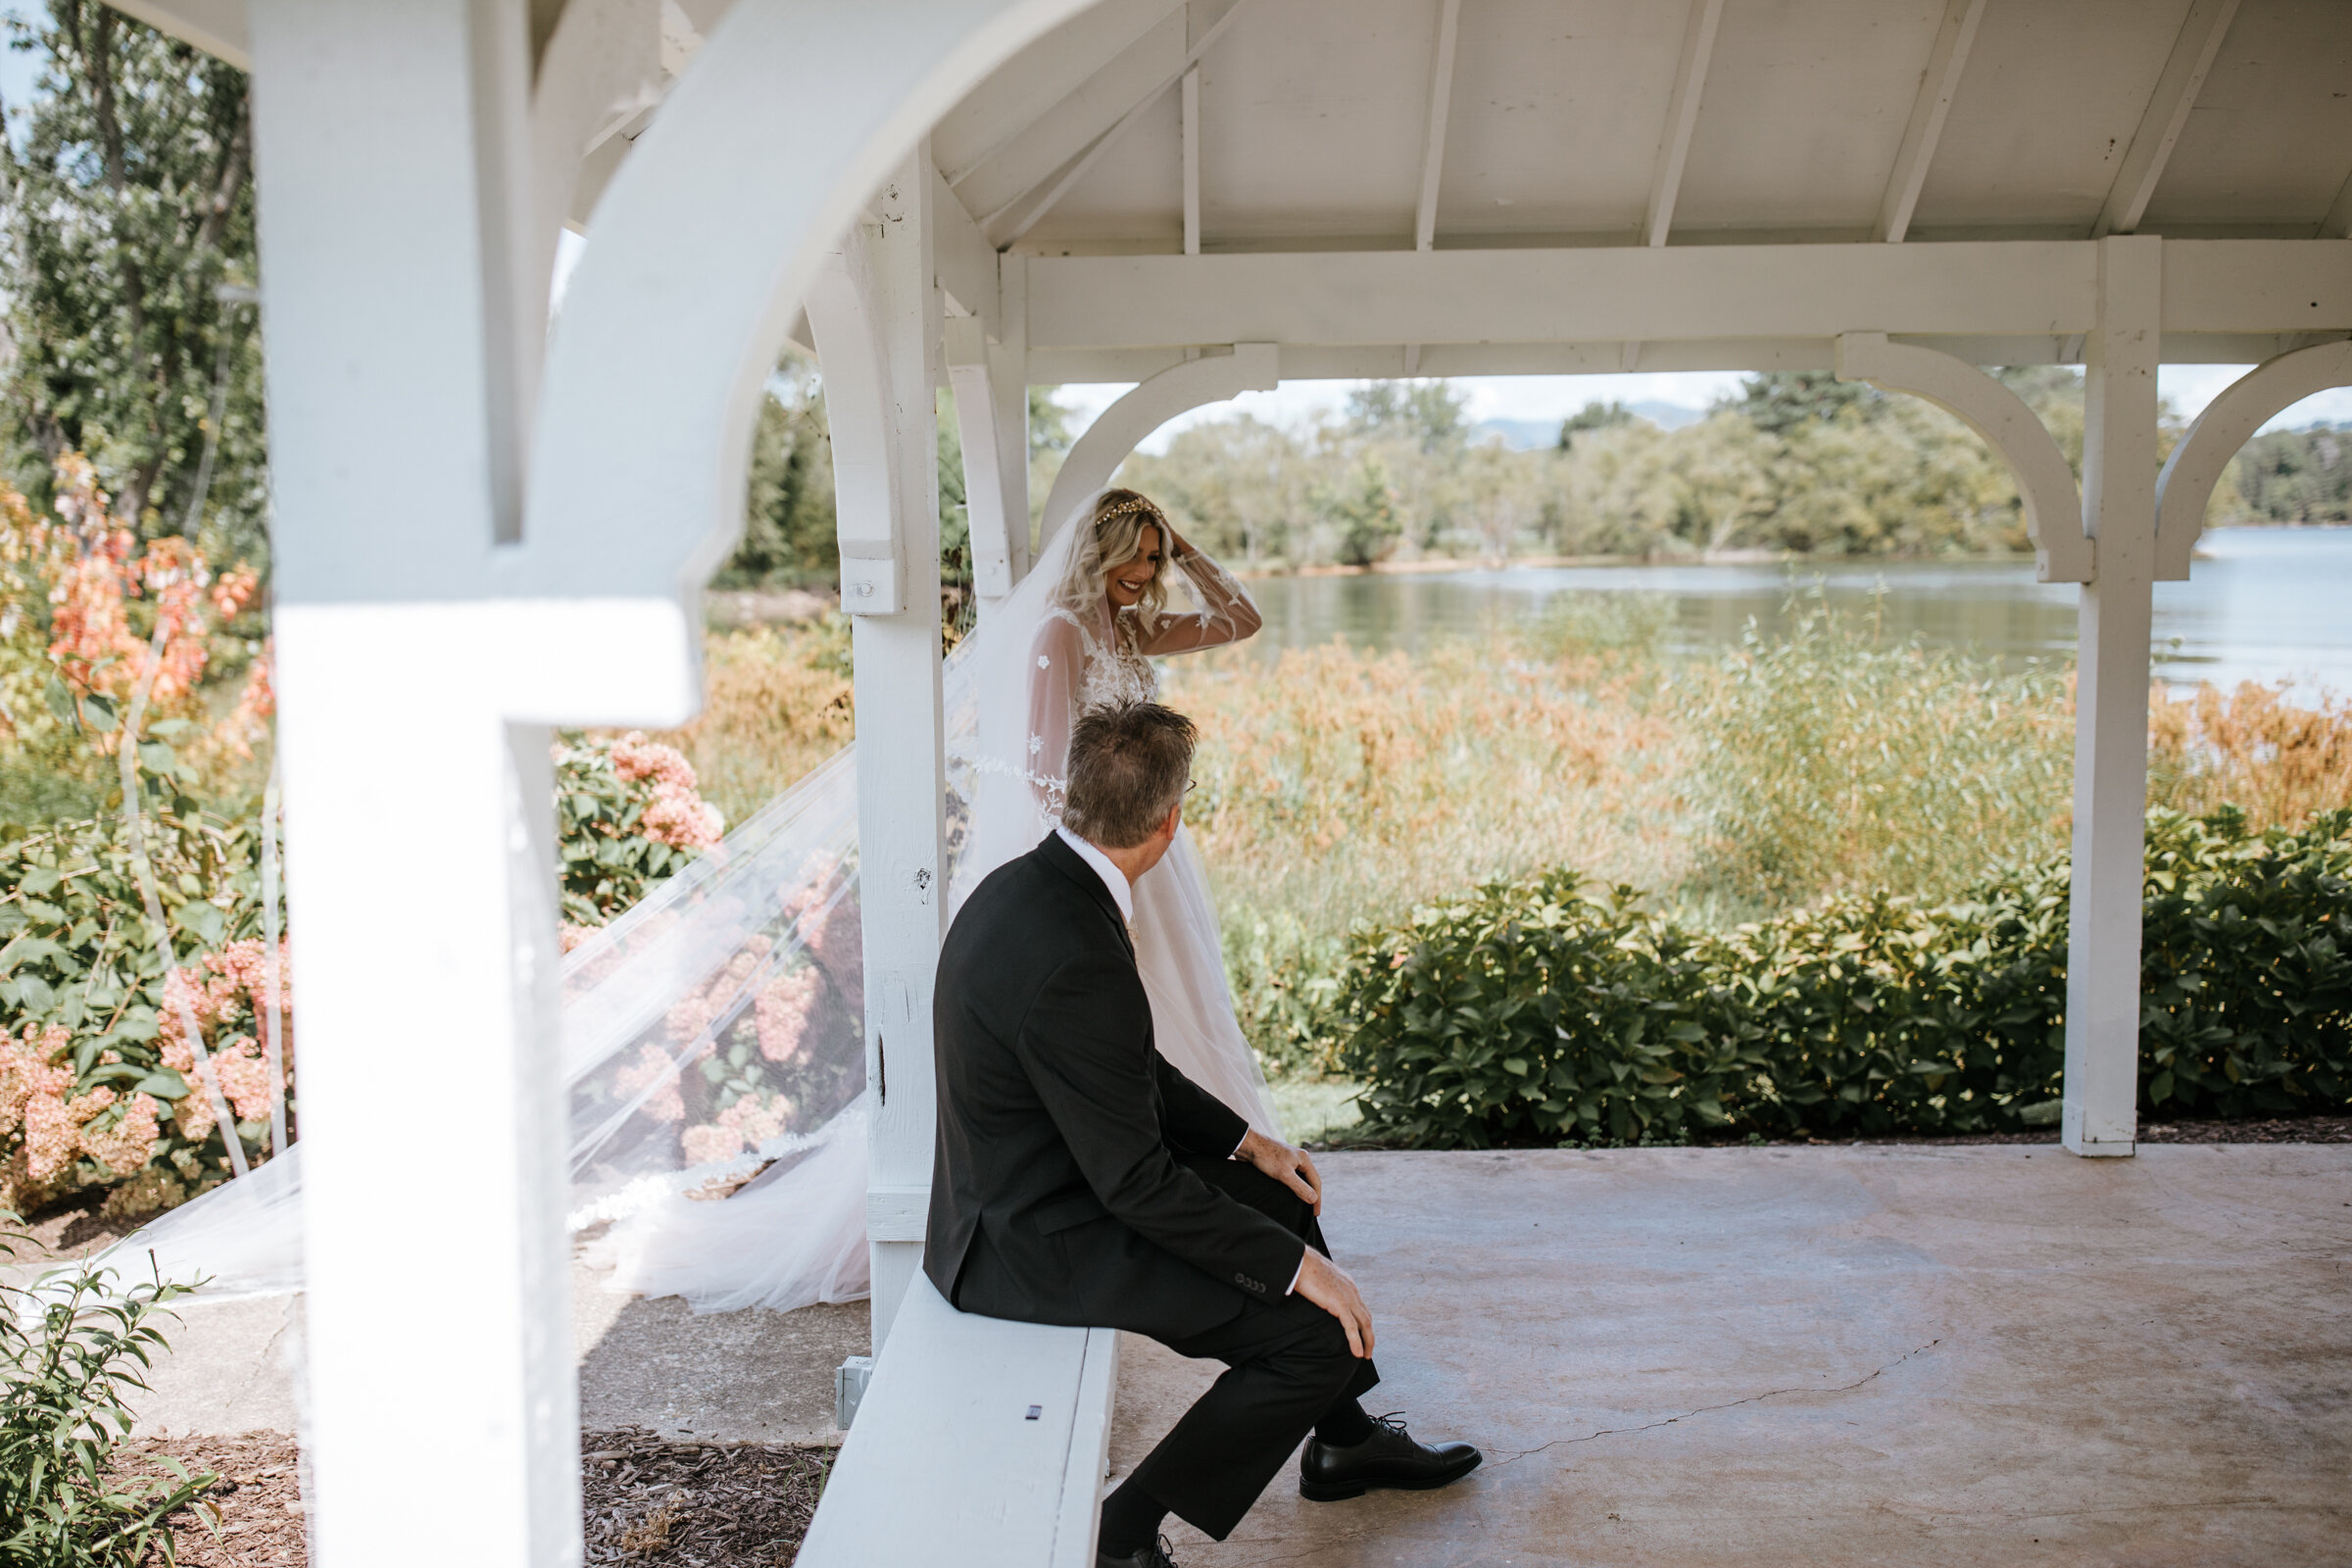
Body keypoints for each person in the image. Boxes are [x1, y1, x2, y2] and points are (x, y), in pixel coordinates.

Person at [927, 702, 1481, 1568]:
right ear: (1170, 819)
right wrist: (1304, 1272)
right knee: (1312, 1335)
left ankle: (1344, 1442)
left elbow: (1120, 1064)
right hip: (1029, 1239)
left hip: (1028, 1187)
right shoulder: (1075, 950)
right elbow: (1137, 1186)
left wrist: (1242, 1143)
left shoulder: (1029, 885)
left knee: (1280, 1196)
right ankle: (1123, 1533)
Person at [967, 485, 1282, 1137]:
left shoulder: (1134, 626)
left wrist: (1184, 547)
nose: (1144, 572)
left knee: (1176, 993)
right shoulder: (1062, 629)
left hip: (1149, 839)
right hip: (1098, 845)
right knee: (1120, 993)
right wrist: (1108, 860)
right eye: (1131, 558)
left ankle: (1201, 1146)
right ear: (1097, 554)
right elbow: (1043, 773)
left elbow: (1241, 619)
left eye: (1153, 558)